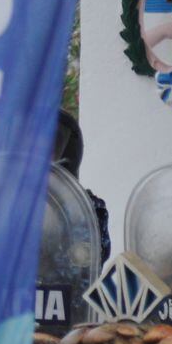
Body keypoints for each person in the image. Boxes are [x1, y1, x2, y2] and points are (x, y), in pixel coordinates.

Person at [52, 109, 111, 262]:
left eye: (54, 145)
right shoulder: (12, 203)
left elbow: (93, 259)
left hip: (66, 284)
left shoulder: (88, 205)